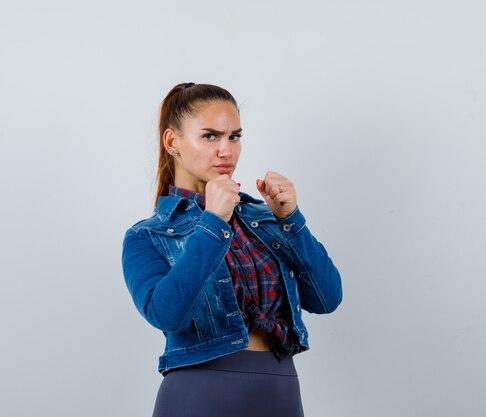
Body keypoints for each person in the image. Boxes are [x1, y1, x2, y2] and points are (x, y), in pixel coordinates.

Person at [121, 82, 342, 417]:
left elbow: (327, 299)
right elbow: (167, 315)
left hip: (280, 393)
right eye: (210, 136)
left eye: (234, 136)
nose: (226, 150)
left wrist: (291, 220)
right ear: (172, 142)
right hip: (198, 397)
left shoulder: (265, 219)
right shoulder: (146, 236)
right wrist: (213, 222)